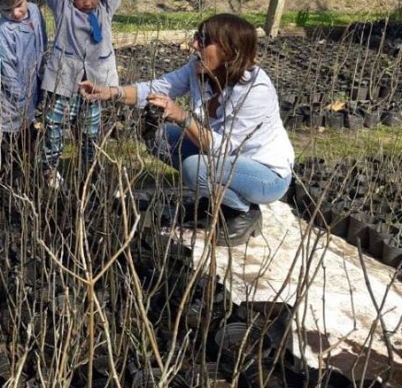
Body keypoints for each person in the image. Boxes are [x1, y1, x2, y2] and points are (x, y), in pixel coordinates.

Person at [80, 13, 295, 246]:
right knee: (158, 137)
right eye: (196, 38)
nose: (194, 45)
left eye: (203, 41)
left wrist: (182, 117)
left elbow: (221, 149)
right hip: (226, 160)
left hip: (265, 173)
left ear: (229, 50)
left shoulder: (255, 90)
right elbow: (158, 87)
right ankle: (218, 198)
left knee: (195, 169)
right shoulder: (199, 70)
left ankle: (244, 211)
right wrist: (112, 92)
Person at [41, 0, 125, 189]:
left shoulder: (105, 11)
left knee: (90, 129)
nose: (88, 3)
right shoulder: (64, 10)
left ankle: (90, 169)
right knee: (53, 126)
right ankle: (49, 168)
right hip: (64, 81)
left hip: (95, 83)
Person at [0, 0, 47, 177]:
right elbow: (8, 70)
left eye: (19, 5)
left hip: (32, 86)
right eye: (7, 10)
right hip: (10, 99)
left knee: (27, 134)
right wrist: (21, 99)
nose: (16, 13)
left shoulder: (35, 12)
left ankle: (25, 171)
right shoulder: (5, 32)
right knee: (6, 138)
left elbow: (43, 41)